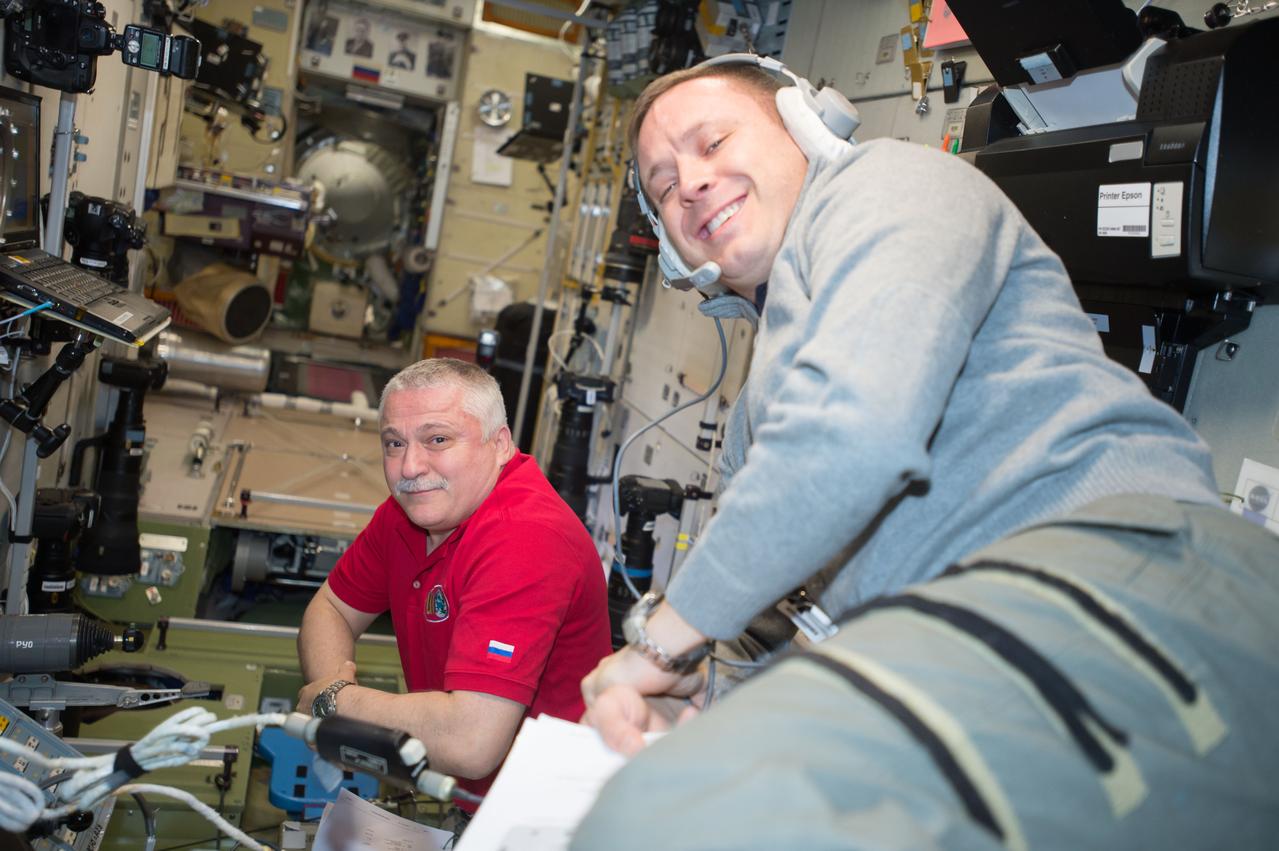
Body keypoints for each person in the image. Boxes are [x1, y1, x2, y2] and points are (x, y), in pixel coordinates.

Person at [572, 60, 1279, 845]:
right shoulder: (756, 419)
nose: (693, 184)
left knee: (657, 822)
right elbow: (765, 619)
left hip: (1132, 577)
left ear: (810, 125)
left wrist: (658, 641)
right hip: (997, 641)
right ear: (670, 248)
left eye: (712, 142)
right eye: (665, 185)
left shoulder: (887, 185)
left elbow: (853, 434)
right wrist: (705, 692)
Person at [297, 358, 611, 804]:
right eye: (394, 443)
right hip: (463, 797)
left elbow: (470, 742)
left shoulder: (525, 538)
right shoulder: (406, 515)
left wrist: (335, 704)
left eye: (437, 439)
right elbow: (330, 608)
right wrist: (333, 695)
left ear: (499, 444)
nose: (409, 467)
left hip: (544, 818)